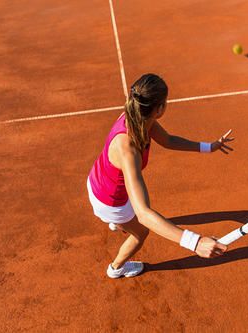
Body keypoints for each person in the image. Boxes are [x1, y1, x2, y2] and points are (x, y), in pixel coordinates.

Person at [87, 73, 234, 278]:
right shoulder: (128, 150)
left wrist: (209, 147)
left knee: (131, 210)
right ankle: (116, 268)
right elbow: (144, 213)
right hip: (110, 200)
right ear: (160, 109)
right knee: (141, 233)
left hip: (99, 179)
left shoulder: (138, 117)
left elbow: (168, 141)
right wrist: (195, 242)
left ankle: (118, 222)